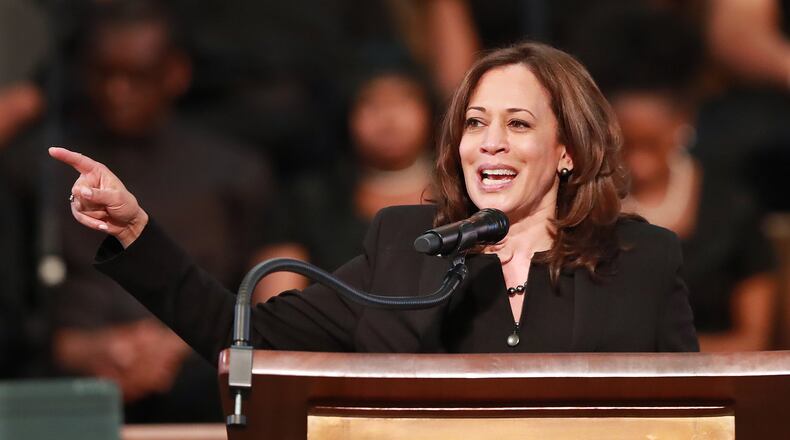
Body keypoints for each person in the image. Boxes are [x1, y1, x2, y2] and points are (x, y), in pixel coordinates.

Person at [50, 42, 698, 361]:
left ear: (569, 151)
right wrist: (137, 230)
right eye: (475, 123)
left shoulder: (642, 258)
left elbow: (699, 417)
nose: (489, 145)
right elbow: (245, 334)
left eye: (518, 124)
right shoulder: (406, 247)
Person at [48, 0, 273, 422]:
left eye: (137, 76)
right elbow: (20, 309)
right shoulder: (40, 169)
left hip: (202, 374)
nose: (118, 91)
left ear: (175, 74)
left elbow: (261, 291)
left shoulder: (235, 172)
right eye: (105, 74)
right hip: (63, 384)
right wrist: (81, 349)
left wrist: (174, 345)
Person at [254, 66, 436, 302]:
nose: (388, 118)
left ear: (431, 112)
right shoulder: (309, 199)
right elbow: (275, 308)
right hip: (331, 336)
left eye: (404, 100)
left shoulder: (464, 192)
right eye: (371, 103)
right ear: (346, 115)